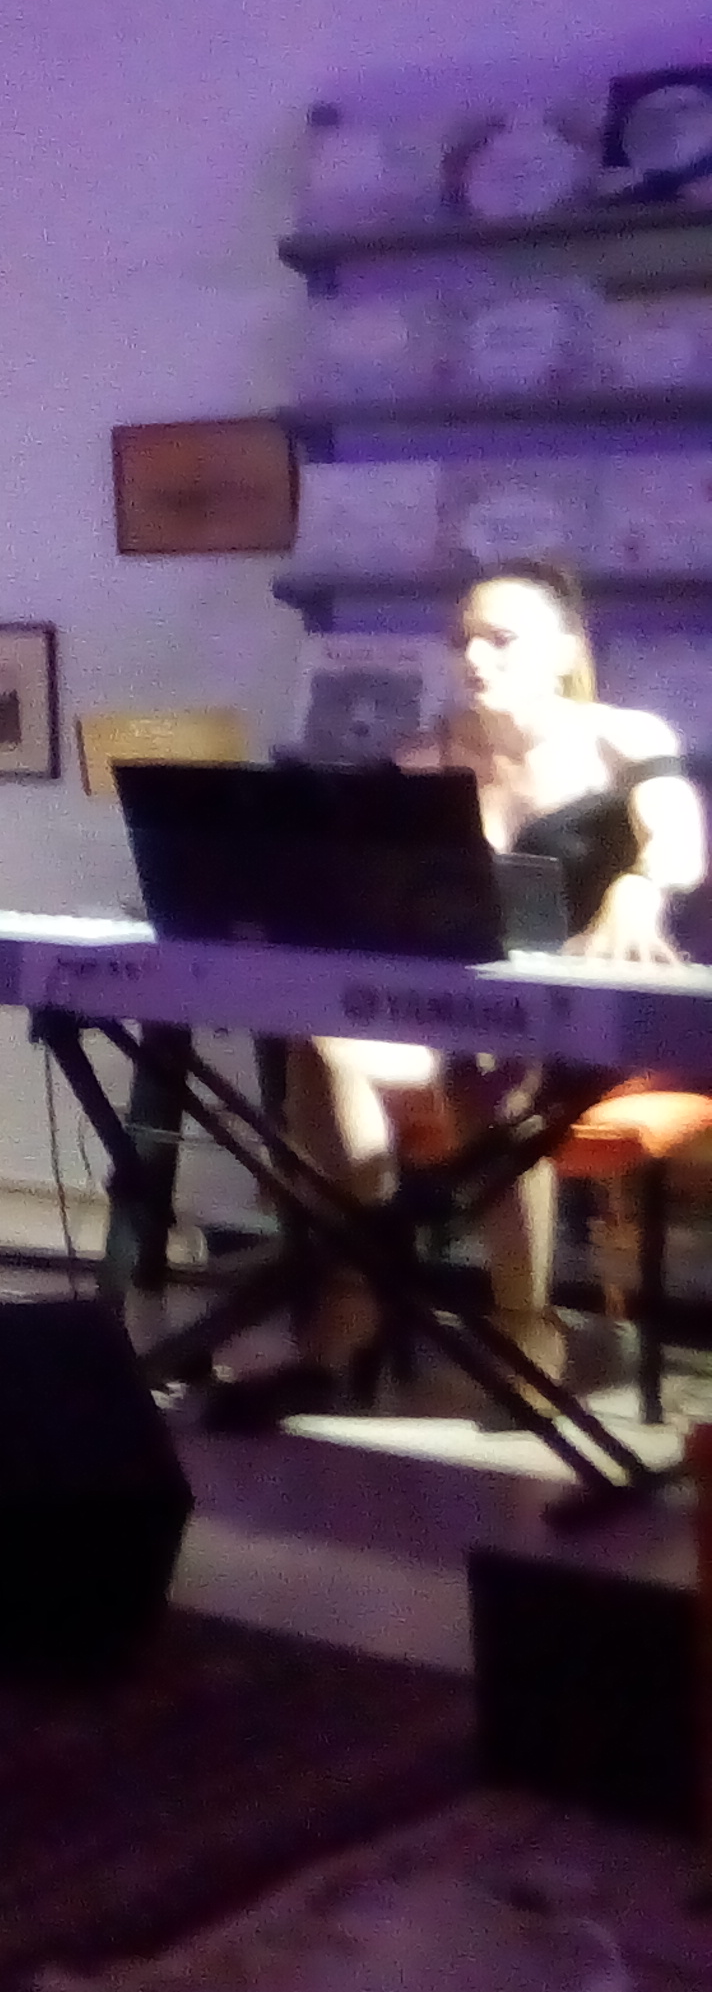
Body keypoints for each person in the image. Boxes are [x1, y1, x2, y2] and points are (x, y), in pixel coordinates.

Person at [295, 562, 706, 1386]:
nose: (475, 659)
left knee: (486, 1066)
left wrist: (639, 886)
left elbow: (681, 843)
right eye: (463, 642)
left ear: (565, 649)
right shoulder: (425, 756)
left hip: (593, 1022)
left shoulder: (625, 739)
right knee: (324, 1045)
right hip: (458, 1009)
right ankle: (358, 1284)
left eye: (501, 639)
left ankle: (524, 1318)